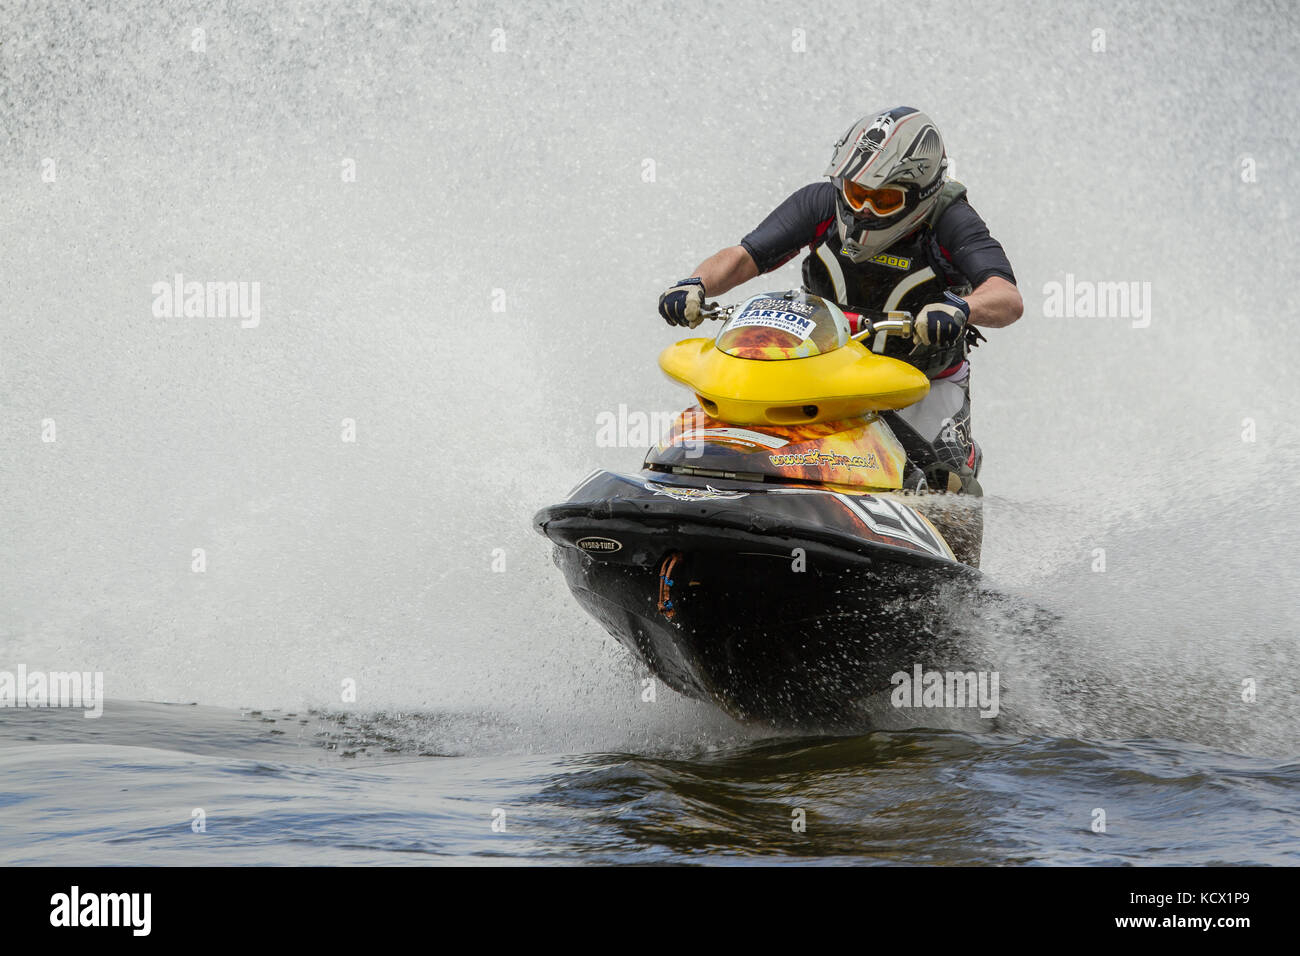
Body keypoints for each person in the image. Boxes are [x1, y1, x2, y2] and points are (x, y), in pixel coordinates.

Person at [657, 107, 1022, 493]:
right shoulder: (819, 203)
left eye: (882, 200)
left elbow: (1007, 296)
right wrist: (695, 284)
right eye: (856, 193)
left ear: (922, 197)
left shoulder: (952, 221)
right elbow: (745, 256)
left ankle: (941, 533)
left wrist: (963, 308)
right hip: (825, 370)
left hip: (921, 382)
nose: (862, 210)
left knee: (946, 483)